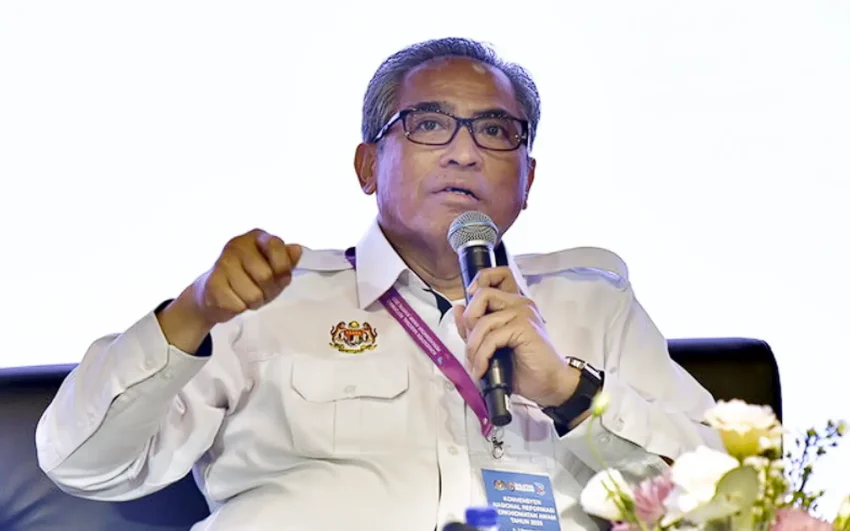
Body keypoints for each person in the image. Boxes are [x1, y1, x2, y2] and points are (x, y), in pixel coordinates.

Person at [35, 37, 723, 531]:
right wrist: (193, 313)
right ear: (368, 166)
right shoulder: (270, 298)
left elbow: (730, 500)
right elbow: (82, 462)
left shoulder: (593, 303)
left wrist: (571, 393)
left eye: (494, 130)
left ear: (528, 179)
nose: (464, 151)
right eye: (429, 125)